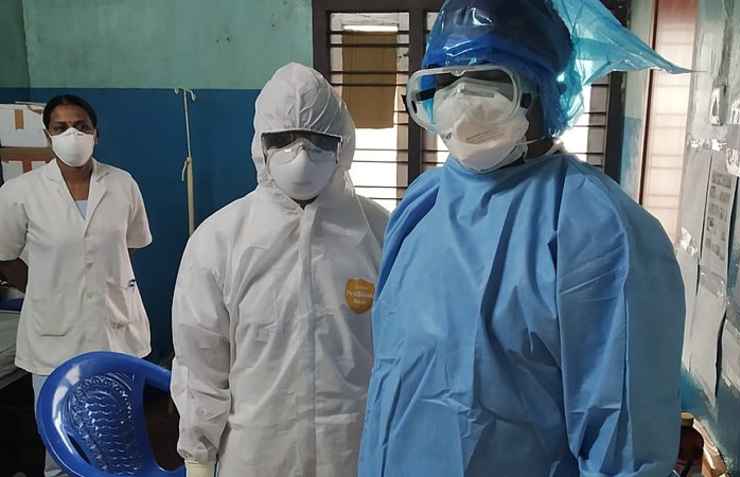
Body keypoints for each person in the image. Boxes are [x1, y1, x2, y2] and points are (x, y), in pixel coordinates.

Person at [358, 1, 688, 476]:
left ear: (541, 92)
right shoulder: (422, 204)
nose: (463, 99)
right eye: (445, 81)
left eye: (490, 81)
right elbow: (393, 380)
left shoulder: (600, 230)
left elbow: (624, 446)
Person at [171, 63, 389, 477]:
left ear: (343, 144)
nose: (301, 154)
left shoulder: (379, 232)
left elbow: (405, 355)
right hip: (257, 454)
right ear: (261, 146)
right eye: (284, 139)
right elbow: (200, 364)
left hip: (356, 451)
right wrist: (198, 459)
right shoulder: (219, 240)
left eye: (318, 139)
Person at [0, 94, 153, 477]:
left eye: (82, 125)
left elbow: (129, 247)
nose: (73, 133)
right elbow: (4, 255)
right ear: (47, 135)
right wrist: (42, 289)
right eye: (61, 126)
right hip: (53, 335)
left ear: (96, 134)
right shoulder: (21, 192)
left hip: (114, 328)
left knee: (117, 434)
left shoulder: (122, 183)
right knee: (60, 443)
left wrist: (103, 282)